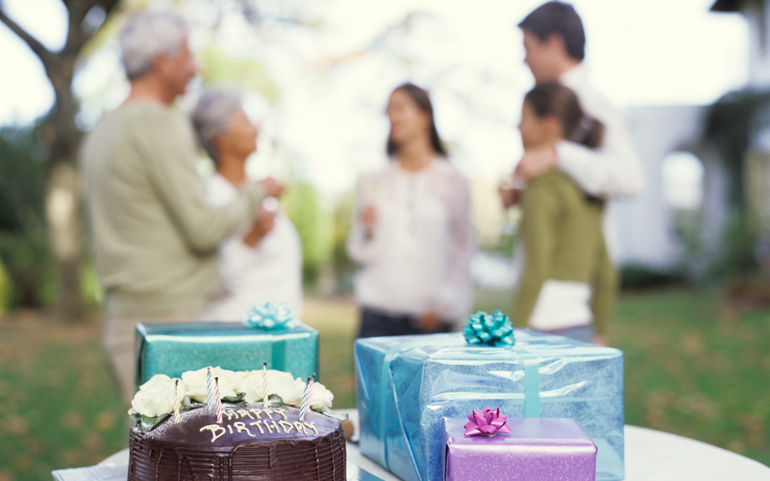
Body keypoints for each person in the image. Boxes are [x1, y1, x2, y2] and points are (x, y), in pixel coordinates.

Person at [80, 11, 282, 404]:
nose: (196, 67)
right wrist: (256, 192)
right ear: (162, 62)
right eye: (189, 56)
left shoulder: (100, 131)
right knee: (187, 458)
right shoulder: (161, 124)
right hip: (170, 325)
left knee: (151, 455)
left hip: (123, 319)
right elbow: (204, 228)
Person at [347, 83, 474, 338]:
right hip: (376, 318)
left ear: (426, 116)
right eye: (389, 111)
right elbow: (359, 253)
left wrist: (446, 305)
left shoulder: (453, 179)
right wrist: (367, 229)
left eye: (400, 108)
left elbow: (464, 249)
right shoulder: (374, 180)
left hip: (430, 321)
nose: (392, 117)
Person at [512, 82, 615, 343]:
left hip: (540, 328)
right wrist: (600, 329)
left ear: (547, 125)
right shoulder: (587, 189)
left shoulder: (541, 189)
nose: (518, 127)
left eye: (524, 118)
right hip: (581, 325)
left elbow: (536, 268)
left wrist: (513, 333)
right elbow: (605, 270)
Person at [191, 89, 303, 319]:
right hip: (238, 337)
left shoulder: (259, 192)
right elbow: (207, 283)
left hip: (276, 340)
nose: (256, 128)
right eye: (244, 122)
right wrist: (251, 239)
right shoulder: (208, 196)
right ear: (218, 138)